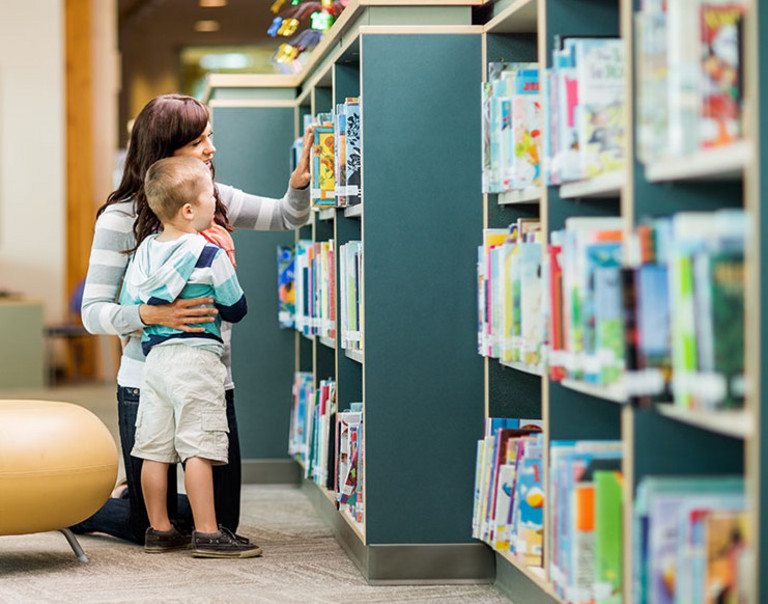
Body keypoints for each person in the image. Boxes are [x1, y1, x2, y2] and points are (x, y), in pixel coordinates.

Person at [74, 93, 313, 545]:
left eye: (210, 137)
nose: (211, 149)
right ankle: (85, 508)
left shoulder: (212, 199)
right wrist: (151, 313)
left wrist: (298, 185)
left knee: (222, 522)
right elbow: (92, 313)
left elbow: (288, 217)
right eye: (200, 141)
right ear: (166, 150)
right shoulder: (119, 218)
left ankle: (137, 491)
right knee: (146, 523)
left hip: (209, 378)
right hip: (146, 382)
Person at [122, 156, 260, 557]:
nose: (214, 206)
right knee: (198, 446)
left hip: (156, 364)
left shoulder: (144, 253)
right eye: (209, 199)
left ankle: (160, 529)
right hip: (197, 360)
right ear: (188, 210)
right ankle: (207, 532)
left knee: (154, 448)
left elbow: (132, 306)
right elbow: (236, 308)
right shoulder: (208, 253)